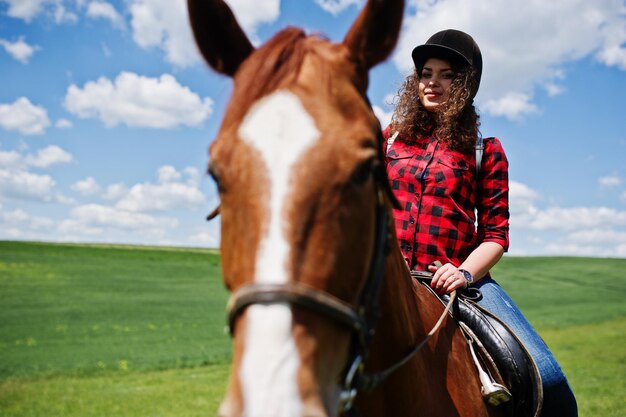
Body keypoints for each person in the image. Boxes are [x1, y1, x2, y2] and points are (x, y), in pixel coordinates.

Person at [383, 29, 577, 416]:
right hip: (388, 278)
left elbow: (495, 235)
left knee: (549, 378)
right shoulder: (388, 141)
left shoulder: (484, 151)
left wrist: (464, 273)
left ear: (465, 84)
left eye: (446, 74)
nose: (432, 83)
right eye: (425, 72)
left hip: (455, 278)